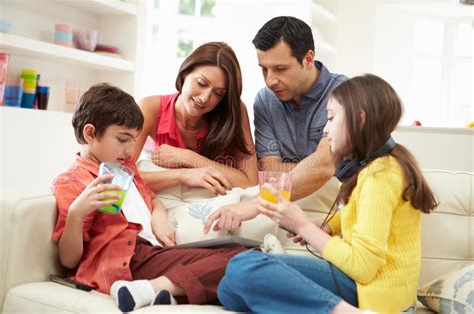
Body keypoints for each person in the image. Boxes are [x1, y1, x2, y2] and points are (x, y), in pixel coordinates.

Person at [217, 74, 438, 313]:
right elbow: (366, 214)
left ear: (360, 120)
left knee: (243, 266)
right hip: (365, 288)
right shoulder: (377, 169)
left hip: (373, 294)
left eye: (331, 118)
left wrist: (303, 226)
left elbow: (363, 266)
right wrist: (328, 226)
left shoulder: (380, 176)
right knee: (229, 291)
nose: (325, 128)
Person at [51, 83, 246, 313]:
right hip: (128, 257)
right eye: (122, 139)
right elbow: (69, 261)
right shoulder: (73, 182)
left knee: (241, 251)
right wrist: (76, 213)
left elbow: (150, 198)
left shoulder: (124, 167)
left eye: (133, 140)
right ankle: (148, 290)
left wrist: (159, 214)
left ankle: (164, 295)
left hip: (152, 252)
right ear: (91, 134)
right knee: (243, 262)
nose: (128, 150)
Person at [204, 16, 345, 233]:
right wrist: (312, 165)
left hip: (332, 212)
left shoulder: (345, 93)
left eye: (280, 69)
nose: (270, 81)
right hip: (283, 207)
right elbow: (270, 170)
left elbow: (325, 165)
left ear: (308, 59)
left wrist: (253, 204)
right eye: (264, 69)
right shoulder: (265, 100)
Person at [133, 42, 258, 196]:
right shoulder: (150, 108)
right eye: (201, 83)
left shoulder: (233, 111)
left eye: (218, 93)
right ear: (185, 73)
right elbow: (120, 173)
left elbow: (251, 182)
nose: (205, 98)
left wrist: (190, 158)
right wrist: (183, 175)